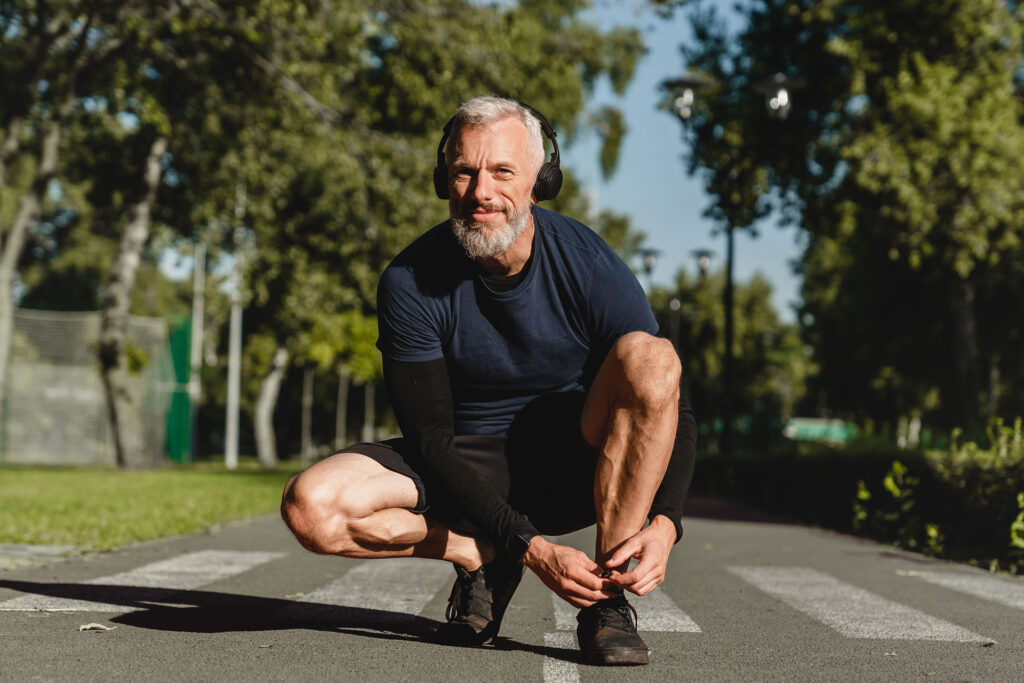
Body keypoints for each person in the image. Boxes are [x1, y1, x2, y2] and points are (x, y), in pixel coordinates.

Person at [281, 96, 696, 666]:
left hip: (576, 462)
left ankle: (606, 599)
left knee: (653, 356)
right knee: (312, 507)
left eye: (502, 171)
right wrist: (527, 547)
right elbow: (429, 441)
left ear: (537, 183)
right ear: (443, 179)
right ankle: (479, 556)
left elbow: (672, 398)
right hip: (464, 469)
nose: (481, 192)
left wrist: (667, 523)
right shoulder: (408, 280)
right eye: (464, 171)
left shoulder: (586, 260)